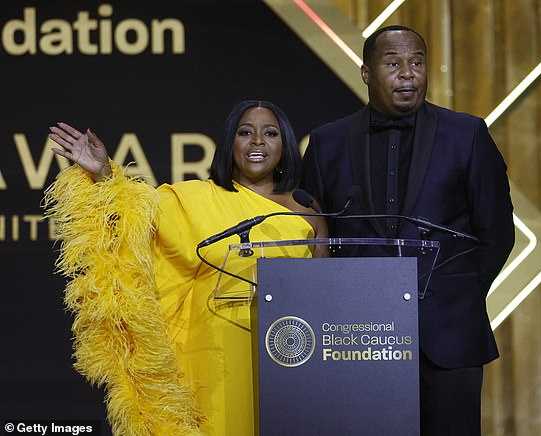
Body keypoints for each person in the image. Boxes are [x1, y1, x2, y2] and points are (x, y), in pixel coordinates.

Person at [45, 100, 327, 435]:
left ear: (285, 145)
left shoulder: (307, 209)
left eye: (270, 133)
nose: (257, 142)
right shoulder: (193, 199)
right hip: (216, 348)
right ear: (229, 143)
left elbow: (325, 292)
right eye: (245, 132)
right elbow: (137, 224)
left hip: (289, 349)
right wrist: (104, 174)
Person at [301, 25, 515, 435]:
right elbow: (315, 234)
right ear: (366, 73)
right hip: (355, 339)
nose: (408, 74)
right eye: (394, 63)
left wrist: (455, 295)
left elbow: (497, 232)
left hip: (449, 338)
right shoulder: (328, 143)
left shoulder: (467, 134)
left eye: (417, 62)